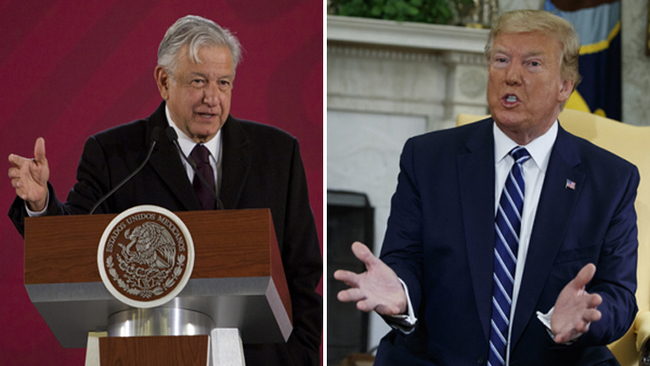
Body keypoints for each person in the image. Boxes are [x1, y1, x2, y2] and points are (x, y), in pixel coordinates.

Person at [7, 15, 322, 366]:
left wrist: (304, 357)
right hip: (144, 352)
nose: (212, 98)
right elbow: (75, 243)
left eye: (224, 83)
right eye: (199, 81)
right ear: (163, 81)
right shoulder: (116, 153)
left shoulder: (278, 153)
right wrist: (40, 203)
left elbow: (303, 273)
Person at [334, 9, 638, 366]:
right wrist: (401, 295)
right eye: (501, 60)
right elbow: (404, 259)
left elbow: (618, 293)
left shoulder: (610, 179)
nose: (511, 75)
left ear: (565, 86)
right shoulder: (428, 158)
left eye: (532, 64)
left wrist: (587, 318)